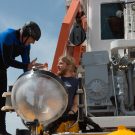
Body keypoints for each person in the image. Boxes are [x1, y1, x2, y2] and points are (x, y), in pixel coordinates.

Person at [0, 21, 42, 135]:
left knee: (2, 100)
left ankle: (2, 131)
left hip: (2, 69)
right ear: (25, 34)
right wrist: (26, 66)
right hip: (3, 64)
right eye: (32, 39)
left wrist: (33, 78)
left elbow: (26, 67)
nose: (32, 43)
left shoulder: (25, 46)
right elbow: (7, 60)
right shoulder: (8, 36)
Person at [45, 55, 79, 134]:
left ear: (68, 66)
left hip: (69, 120)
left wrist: (70, 114)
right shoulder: (54, 80)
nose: (58, 65)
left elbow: (76, 104)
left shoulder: (77, 82)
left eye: (61, 63)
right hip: (53, 120)